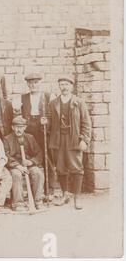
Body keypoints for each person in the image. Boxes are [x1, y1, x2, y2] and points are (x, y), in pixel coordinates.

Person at [47, 75, 91, 210]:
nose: (64, 87)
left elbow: (86, 122)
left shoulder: (79, 102)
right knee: (60, 168)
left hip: (74, 139)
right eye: (61, 85)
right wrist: (45, 122)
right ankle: (66, 194)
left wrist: (84, 139)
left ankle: (77, 197)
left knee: (76, 167)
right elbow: (50, 122)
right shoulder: (53, 103)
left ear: (71, 86)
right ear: (59, 87)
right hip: (58, 140)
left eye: (66, 84)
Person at [19, 73, 59, 202]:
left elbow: (54, 115)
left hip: (43, 129)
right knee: (29, 156)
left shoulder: (48, 96)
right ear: (28, 85)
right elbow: (19, 113)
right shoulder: (23, 97)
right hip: (29, 128)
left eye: (35, 83)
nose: (33, 85)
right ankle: (32, 189)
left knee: (47, 158)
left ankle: (49, 190)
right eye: (30, 83)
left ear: (40, 83)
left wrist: (47, 121)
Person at [4, 116, 45, 211]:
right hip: (15, 166)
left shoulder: (30, 138)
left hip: (28, 164)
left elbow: (39, 153)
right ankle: (18, 203)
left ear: (25, 127)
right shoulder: (7, 139)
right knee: (16, 175)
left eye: (21, 127)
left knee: (38, 173)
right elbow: (6, 155)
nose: (19, 129)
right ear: (12, 127)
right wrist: (18, 166)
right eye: (16, 127)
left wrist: (31, 161)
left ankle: (37, 201)